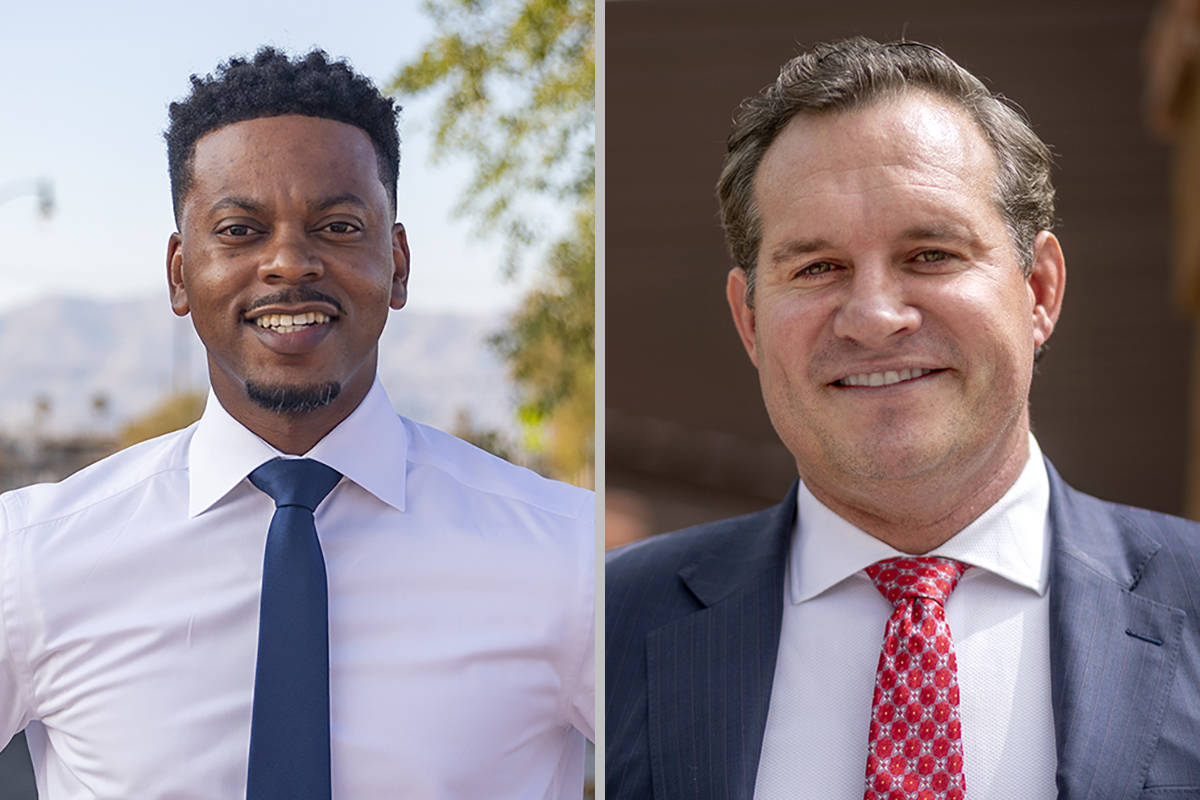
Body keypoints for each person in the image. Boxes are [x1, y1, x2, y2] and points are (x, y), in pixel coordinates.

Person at [606, 37, 1200, 799]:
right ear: (749, 321)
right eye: (817, 268)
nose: (874, 316)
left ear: (1040, 291)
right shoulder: (613, 624)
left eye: (930, 254)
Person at [0, 48, 594, 799]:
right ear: (180, 273)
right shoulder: (30, 561)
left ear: (399, 262)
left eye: (339, 226)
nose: (288, 262)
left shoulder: (567, 557)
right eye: (240, 230)